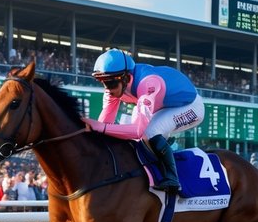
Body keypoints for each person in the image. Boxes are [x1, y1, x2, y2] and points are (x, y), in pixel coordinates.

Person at [81, 49, 205, 194]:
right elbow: (104, 124)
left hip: (190, 106)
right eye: (103, 83)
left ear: (126, 77)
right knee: (135, 130)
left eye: (110, 83)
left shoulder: (149, 84)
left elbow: (138, 130)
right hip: (163, 105)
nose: (107, 89)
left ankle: (172, 178)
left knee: (149, 132)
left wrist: (100, 127)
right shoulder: (115, 86)